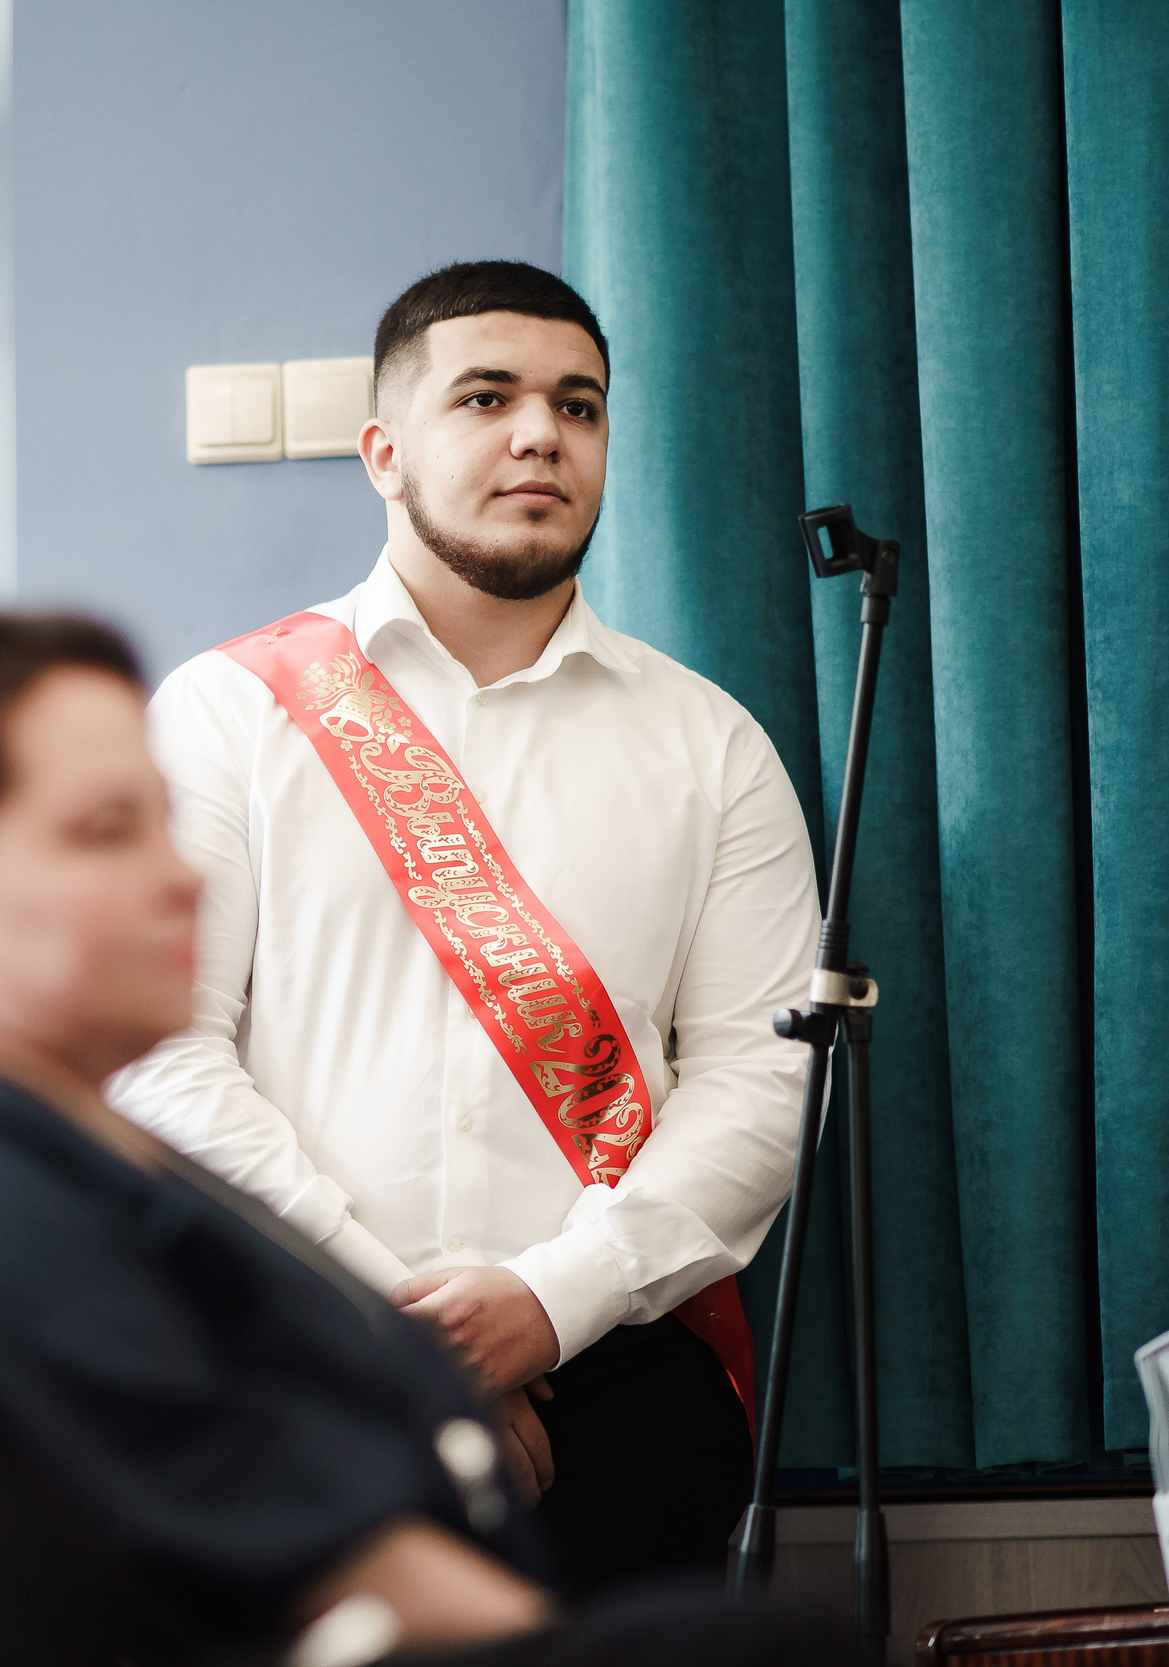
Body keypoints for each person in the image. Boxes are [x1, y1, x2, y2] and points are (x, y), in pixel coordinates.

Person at [0, 604, 871, 1667]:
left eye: (158, 823)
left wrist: (535, 1307)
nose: (179, 877)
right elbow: (266, 1567)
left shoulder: (27, 1144)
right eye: (103, 832)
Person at [105, 260, 821, 1596]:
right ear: (384, 449)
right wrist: (401, 1336)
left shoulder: (711, 745)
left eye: (579, 405)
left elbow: (766, 1075)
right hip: (293, 1368)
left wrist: (550, 1306)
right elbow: (161, 1053)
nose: (541, 432)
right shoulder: (226, 714)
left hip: (625, 1384)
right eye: (486, 396)